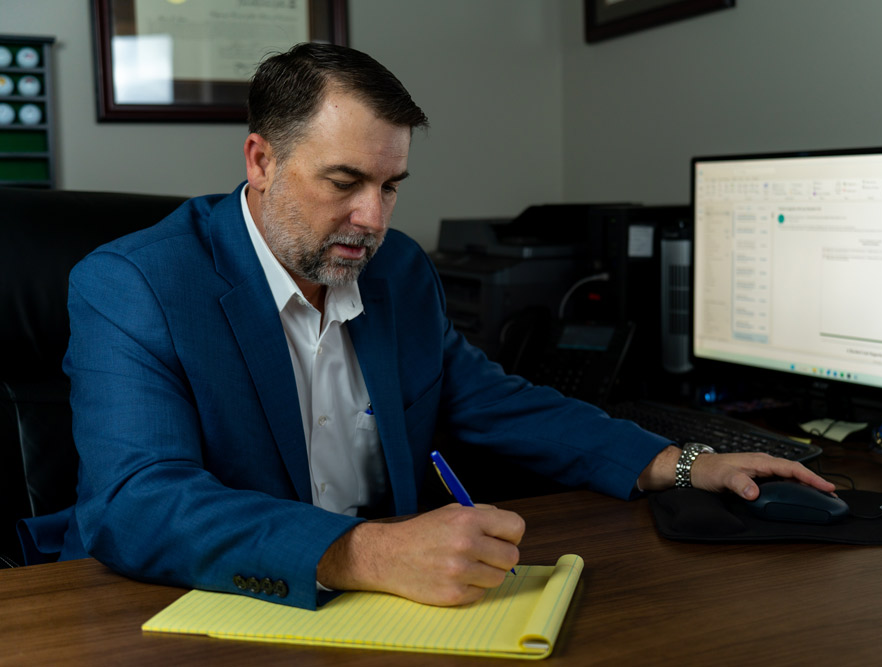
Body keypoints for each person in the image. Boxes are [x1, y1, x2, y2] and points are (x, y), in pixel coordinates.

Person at [21, 43, 833, 610]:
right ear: (261, 161)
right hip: (187, 608)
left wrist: (678, 461)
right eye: (344, 181)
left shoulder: (399, 271)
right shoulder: (135, 283)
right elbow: (137, 502)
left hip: (388, 613)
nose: (371, 219)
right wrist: (364, 551)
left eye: (392, 185)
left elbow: (493, 400)